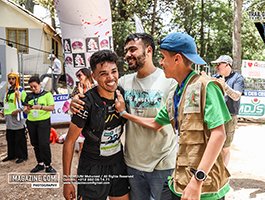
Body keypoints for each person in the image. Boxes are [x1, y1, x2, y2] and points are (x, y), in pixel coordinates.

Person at [114, 32, 231, 200]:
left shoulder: (206, 86)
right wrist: (125, 113)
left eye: (163, 57)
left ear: (177, 59)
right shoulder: (175, 94)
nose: (160, 62)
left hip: (205, 189)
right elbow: (156, 123)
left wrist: (197, 181)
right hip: (181, 183)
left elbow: (219, 135)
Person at [71, 33, 177, 200]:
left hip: (163, 164)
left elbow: (160, 123)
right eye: (126, 50)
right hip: (132, 164)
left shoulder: (169, 81)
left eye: (133, 49)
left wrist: (124, 113)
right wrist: (76, 99)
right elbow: (99, 90)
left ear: (148, 50)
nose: (127, 54)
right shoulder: (123, 83)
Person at [63, 50, 130, 200]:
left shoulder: (123, 94)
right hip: (92, 167)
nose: (111, 77)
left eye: (113, 71)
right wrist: (67, 181)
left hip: (117, 162)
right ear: (93, 76)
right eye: (103, 73)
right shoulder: (85, 103)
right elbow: (69, 142)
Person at [211, 55, 245, 167]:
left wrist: (224, 86)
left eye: (219, 64)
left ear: (227, 65)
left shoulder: (237, 78)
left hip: (230, 116)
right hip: (216, 116)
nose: (216, 67)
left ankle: (223, 175)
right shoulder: (215, 77)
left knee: (225, 148)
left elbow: (236, 96)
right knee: (213, 146)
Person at [23, 76, 56, 173]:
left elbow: (52, 108)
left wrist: (40, 107)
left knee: (44, 144)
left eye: (35, 86)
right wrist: (27, 110)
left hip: (43, 121)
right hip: (31, 122)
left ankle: (48, 165)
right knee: (35, 143)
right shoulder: (28, 96)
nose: (33, 89)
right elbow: (26, 111)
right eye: (31, 87)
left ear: (40, 84)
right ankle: (40, 163)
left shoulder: (47, 94)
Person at [1, 72, 28, 163]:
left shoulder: (20, 91)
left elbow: (26, 105)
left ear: (17, 79)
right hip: (8, 117)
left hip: (17, 117)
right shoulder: (8, 91)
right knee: (10, 137)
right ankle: (11, 154)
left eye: (13, 79)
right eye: (9, 79)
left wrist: (18, 110)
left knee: (19, 137)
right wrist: (3, 111)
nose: (11, 80)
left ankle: (22, 156)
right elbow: (6, 103)